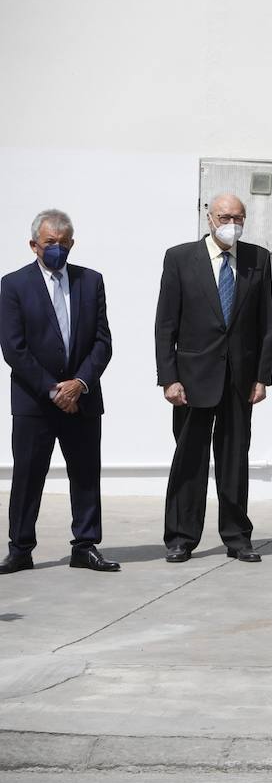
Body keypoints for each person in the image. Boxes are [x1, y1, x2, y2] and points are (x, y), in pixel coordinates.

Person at [155, 193, 272, 563]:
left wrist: (262, 377)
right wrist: (168, 378)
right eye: (225, 216)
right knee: (189, 460)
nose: (232, 224)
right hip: (192, 379)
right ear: (209, 218)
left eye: (239, 218)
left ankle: (238, 537)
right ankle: (180, 537)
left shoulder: (257, 258)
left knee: (234, 459)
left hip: (239, 378)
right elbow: (165, 324)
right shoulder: (180, 258)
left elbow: (265, 323)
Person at [0, 209, 118, 574]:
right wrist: (53, 390)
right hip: (35, 401)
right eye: (50, 243)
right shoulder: (13, 285)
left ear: (72, 244)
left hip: (82, 397)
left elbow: (102, 341)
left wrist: (79, 384)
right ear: (34, 244)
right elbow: (14, 348)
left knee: (85, 473)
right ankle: (20, 548)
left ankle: (85, 545)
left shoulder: (90, 281)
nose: (57, 249)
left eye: (64, 243)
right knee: (28, 475)